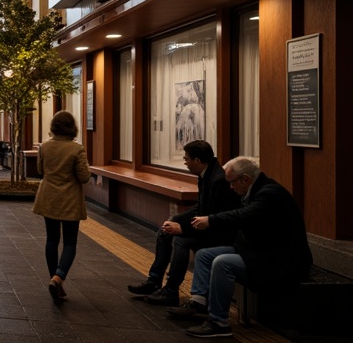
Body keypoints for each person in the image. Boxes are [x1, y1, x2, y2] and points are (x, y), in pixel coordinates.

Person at [168, 157, 312, 339]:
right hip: (256, 250)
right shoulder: (255, 190)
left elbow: (243, 215)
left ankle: (219, 322)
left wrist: (210, 221)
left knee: (222, 263)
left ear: (245, 179)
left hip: (278, 259)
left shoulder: (269, 193)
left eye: (232, 182)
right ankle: (199, 302)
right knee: (205, 255)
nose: (230, 187)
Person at [127, 140, 241, 305]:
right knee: (165, 232)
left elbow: (213, 216)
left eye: (186, 159)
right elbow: (201, 207)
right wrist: (175, 219)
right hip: (208, 224)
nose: (184, 162)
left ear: (197, 161)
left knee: (181, 240)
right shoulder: (206, 174)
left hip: (220, 232)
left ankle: (171, 290)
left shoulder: (218, 180)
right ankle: (154, 280)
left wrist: (182, 228)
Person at [32, 110, 90, 303]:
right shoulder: (77, 149)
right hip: (70, 200)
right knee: (70, 242)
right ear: (72, 128)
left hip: (48, 197)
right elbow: (84, 177)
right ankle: (59, 277)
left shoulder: (44, 147)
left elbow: (40, 170)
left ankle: (54, 279)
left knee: (52, 239)